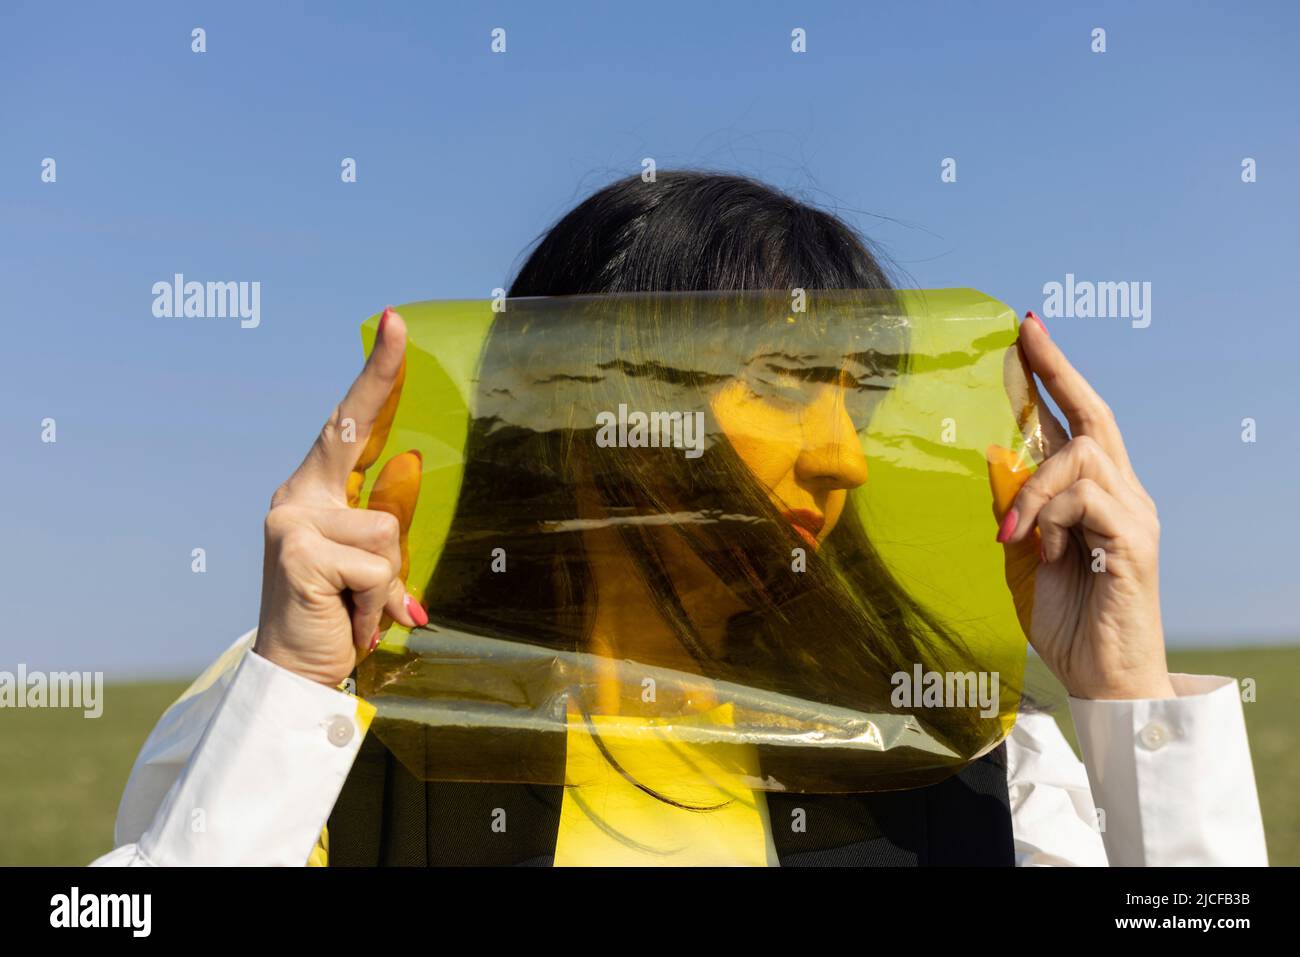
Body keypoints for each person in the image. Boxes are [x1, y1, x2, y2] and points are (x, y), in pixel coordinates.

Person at [93, 172, 1267, 866]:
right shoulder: (309, 732)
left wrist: (1130, 699)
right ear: (590, 403)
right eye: (782, 378)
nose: (847, 455)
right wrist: (290, 698)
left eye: (860, 394)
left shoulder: (977, 758)